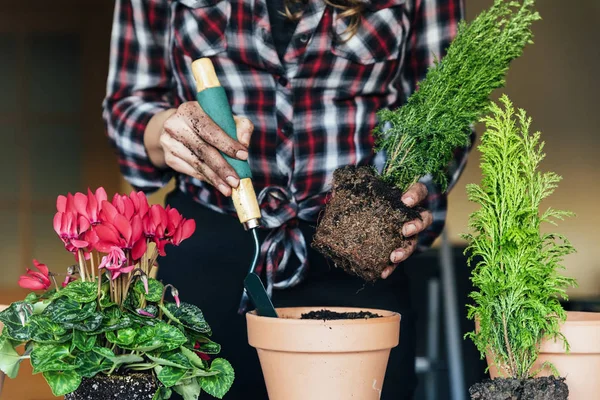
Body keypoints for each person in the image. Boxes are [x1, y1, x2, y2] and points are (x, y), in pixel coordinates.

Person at [102, 0, 470, 398]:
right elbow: (129, 106)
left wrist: (409, 195)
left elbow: (450, 109)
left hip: (359, 257)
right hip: (212, 254)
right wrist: (167, 133)